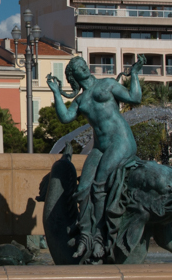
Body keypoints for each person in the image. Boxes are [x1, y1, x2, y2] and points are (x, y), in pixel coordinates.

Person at [46, 54, 145, 260]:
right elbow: (65, 118)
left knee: (99, 184)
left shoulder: (107, 84)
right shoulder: (80, 100)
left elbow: (134, 98)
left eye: (84, 64)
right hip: (100, 147)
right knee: (83, 188)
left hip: (121, 141)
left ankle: (100, 237)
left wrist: (134, 74)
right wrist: (56, 92)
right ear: (73, 75)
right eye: (78, 67)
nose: (84, 67)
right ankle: (85, 236)